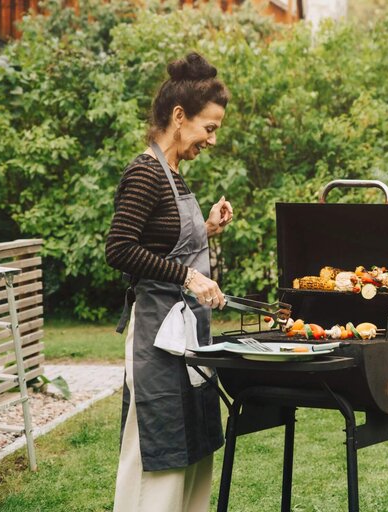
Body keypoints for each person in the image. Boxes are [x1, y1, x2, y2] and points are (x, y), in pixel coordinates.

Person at [105, 51, 233, 512]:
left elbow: (162, 240)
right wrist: (188, 275)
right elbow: (119, 248)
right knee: (160, 451)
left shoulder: (174, 175)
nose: (212, 139)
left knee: (192, 448)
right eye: (209, 127)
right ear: (179, 117)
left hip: (186, 333)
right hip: (158, 335)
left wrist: (207, 229)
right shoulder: (145, 172)